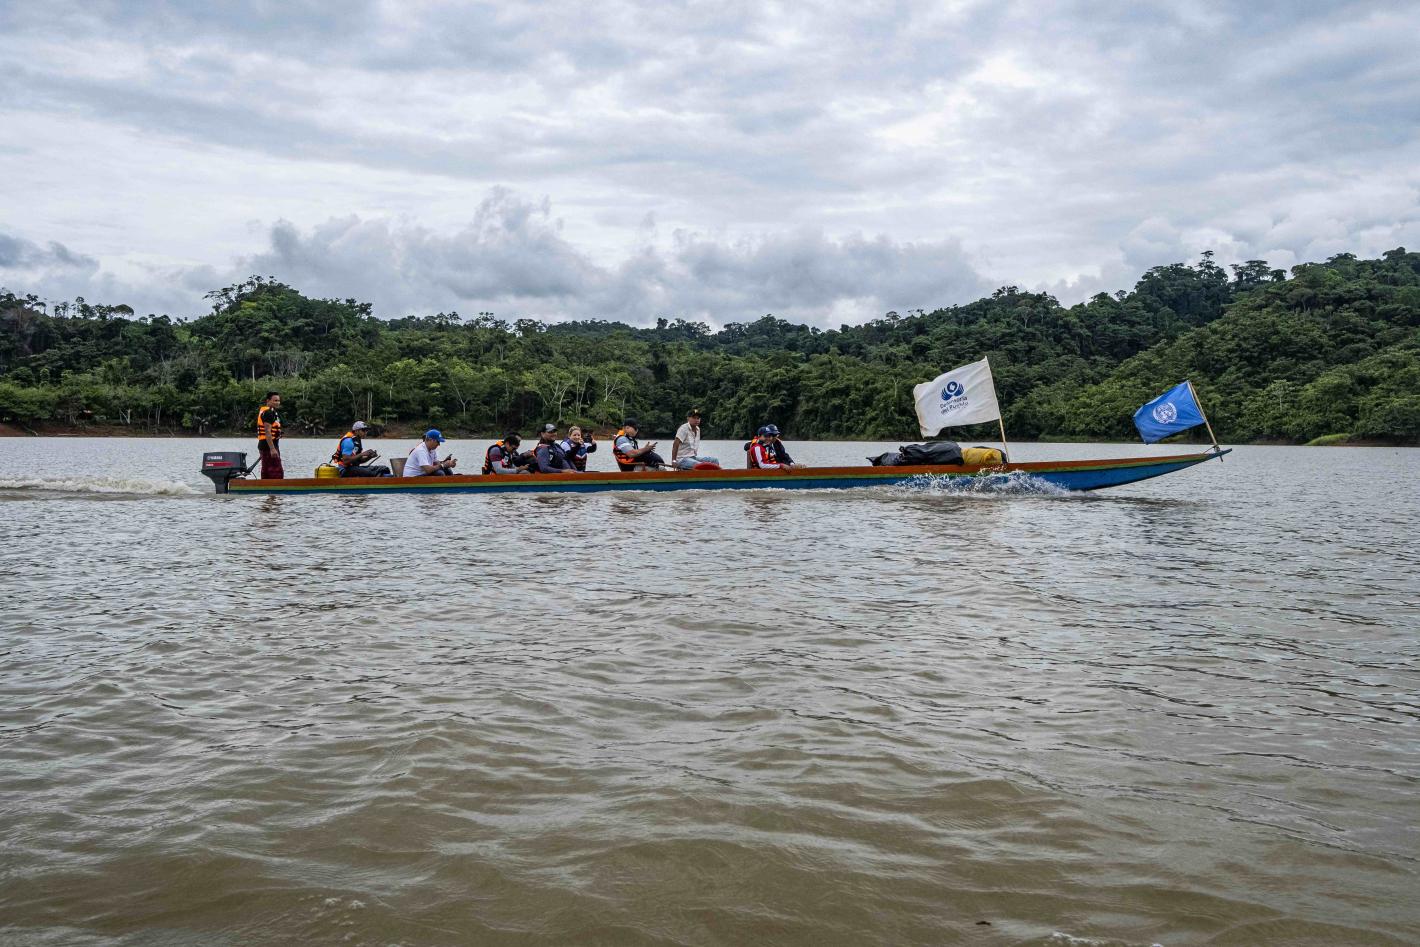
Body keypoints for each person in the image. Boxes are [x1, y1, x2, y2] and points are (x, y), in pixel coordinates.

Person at [256, 391, 284, 479]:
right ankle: (276, 487)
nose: (277, 402)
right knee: (276, 471)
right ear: (268, 401)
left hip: (265, 445)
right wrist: (272, 449)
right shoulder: (268, 413)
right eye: (275, 400)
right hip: (268, 446)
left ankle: (265, 486)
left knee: (267, 470)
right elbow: (267, 431)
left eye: (278, 400)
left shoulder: (271, 412)